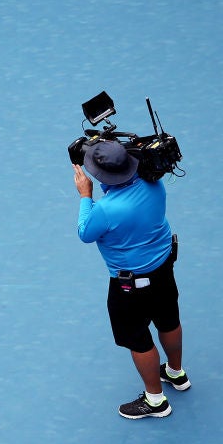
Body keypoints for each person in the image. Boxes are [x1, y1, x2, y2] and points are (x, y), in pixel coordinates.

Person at [72, 140, 189, 419]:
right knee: (168, 320)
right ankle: (176, 373)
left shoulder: (106, 210)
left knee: (138, 340)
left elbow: (85, 232)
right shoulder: (154, 184)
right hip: (163, 271)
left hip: (129, 287)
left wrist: (85, 195)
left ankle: (156, 401)